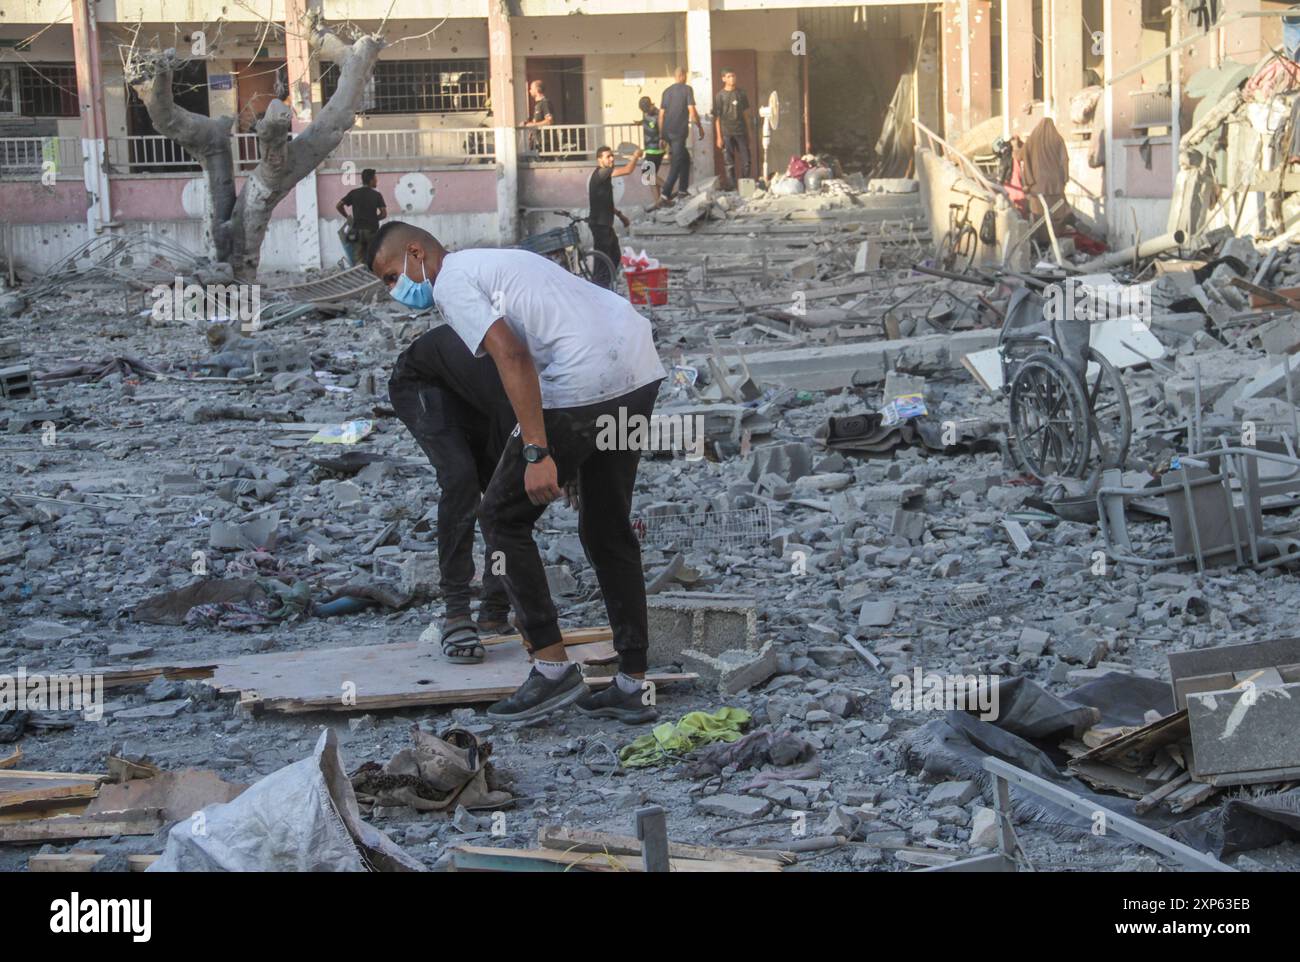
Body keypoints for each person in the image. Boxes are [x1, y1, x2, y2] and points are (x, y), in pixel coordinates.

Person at [366, 222, 666, 724]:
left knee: (502, 518)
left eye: (393, 275)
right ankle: (633, 682)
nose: (397, 289)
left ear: (416, 251)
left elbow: (512, 354)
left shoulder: (451, 281)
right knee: (608, 526)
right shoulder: (497, 260)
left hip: (582, 378)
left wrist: (536, 450)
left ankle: (550, 667)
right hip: (637, 368)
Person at [388, 326, 518, 663]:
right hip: (426, 383)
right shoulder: (521, 365)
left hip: (483, 396)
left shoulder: (566, 376)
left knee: (502, 497)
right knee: (460, 479)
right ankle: (456, 611)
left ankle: (495, 607)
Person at [588, 145, 642, 289]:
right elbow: (628, 170)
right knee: (603, 260)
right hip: (600, 224)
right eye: (608, 156)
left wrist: (620, 215)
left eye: (612, 155)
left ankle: (605, 284)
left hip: (605, 224)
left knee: (614, 255)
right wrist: (636, 156)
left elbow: (606, 201)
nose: (611, 159)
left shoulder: (603, 177)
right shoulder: (602, 172)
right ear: (599, 159)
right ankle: (600, 287)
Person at [659, 67, 703, 202]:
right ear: (683, 76)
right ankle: (665, 194)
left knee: (685, 159)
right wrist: (700, 127)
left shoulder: (666, 91)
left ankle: (683, 190)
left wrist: (661, 136)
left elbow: (661, 116)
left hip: (667, 133)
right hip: (678, 132)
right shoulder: (687, 89)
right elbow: (692, 111)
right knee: (676, 163)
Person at [335, 169, 387, 266]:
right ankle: (373, 278)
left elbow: (339, 206)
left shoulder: (354, 193)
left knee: (358, 260)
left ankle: (361, 278)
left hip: (357, 231)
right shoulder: (376, 195)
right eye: (375, 178)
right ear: (371, 180)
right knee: (373, 258)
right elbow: (383, 214)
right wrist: (374, 218)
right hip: (371, 231)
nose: (377, 181)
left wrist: (347, 217)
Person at [713, 69, 752, 190]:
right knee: (729, 162)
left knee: (746, 160)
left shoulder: (741, 93)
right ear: (723, 79)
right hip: (726, 133)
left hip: (741, 132)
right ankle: (732, 186)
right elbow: (717, 118)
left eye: (733, 76)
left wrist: (749, 132)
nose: (732, 78)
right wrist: (719, 137)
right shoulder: (719, 96)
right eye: (729, 76)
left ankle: (745, 185)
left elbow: (746, 114)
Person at [638, 96, 666, 208]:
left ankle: (668, 189)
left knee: (647, 175)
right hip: (650, 149)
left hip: (655, 149)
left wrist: (661, 138)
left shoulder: (658, 114)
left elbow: (661, 126)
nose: (645, 112)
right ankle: (658, 202)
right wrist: (640, 122)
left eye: (646, 109)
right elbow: (648, 121)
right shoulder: (646, 113)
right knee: (652, 177)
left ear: (650, 105)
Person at [522, 79, 554, 154]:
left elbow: (549, 121)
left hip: (544, 143)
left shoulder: (545, 103)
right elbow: (537, 121)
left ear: (536, 90)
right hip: (537, 142)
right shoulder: (537, 105)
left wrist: (532, 125)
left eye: (531, 89)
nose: (529, 91)